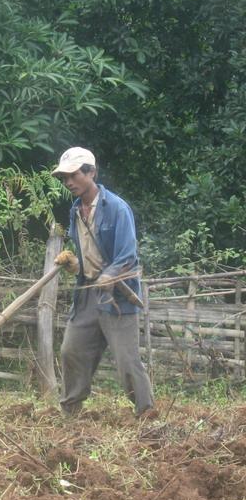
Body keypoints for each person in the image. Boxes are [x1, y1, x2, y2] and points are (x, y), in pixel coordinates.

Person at [52, 147, 156, 418]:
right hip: (87, 295)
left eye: (73, 175)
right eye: (64, 178)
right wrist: (75, 265)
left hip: (118, 297)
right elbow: (89, 254)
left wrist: (109, 276)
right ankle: (70, 414)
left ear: (91, 173)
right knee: (71, 350)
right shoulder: (75, 211)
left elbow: (127, 254)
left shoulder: (117, 208)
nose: (69, 182)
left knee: (127, 361)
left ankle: (146, 415)